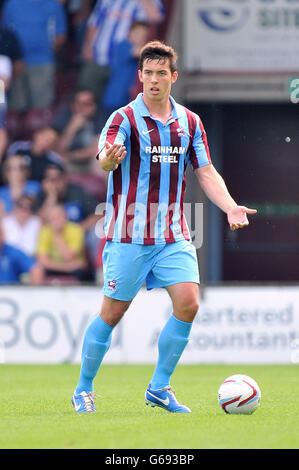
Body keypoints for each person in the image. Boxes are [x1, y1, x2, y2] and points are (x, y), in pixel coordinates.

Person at [71, 41, 257, 414]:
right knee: (111, 314)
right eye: (148, 74)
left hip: (173, 234)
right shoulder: (123, 119)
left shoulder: (189, 122)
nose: (154, 81)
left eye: (161, 74)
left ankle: (159, 387)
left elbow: (205, 170)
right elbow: (106, 160)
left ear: (173, 77)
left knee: (188, 303)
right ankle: (83, 389)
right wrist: (108, 159)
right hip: (128, 235)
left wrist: (230, 205)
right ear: (140, 77)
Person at [78, 0, 164, 103]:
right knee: (87, 96)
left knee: (115, 101)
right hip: (98, 56)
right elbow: (94, 22)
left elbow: (157, 17)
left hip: (125, 63)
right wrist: (88, 45)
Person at [2, 0, 67, 111]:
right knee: (17, 106)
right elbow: (5, 32)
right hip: (16, 63)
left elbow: (61, 35)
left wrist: (45, 50)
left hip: (42, 62)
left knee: (41, 107)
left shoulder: (53, 5)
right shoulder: (12, 4)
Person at [100, 21, 150, 126]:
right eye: (137, 34)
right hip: (115, 99)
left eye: (144, 36)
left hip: (128, 100)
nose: (140, 38)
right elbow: (140, 52)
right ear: (129, 33)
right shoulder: (123, 45)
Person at [37, 204, 90, 281]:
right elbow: (43, 260)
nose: (56, 221)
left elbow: (68, 257)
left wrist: (57, 235)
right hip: (63, 268)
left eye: (58, 217)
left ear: (66, 217)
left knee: (80, 272)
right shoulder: (45, 231)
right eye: (52, 219)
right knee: (39, 270)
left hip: (75, 271)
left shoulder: (76, 230)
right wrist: (68, 267)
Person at [52, 89, 100, 173]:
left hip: (90, 161)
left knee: (101, 160)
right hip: (68, 163)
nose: (84, 108)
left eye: (88, 104)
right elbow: (58, 150)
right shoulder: (64, 116)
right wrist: (72, 128)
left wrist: (71, 156)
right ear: (73, 105)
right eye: (81, 104)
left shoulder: (100, 117)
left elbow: (98, 149)